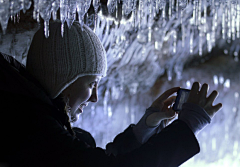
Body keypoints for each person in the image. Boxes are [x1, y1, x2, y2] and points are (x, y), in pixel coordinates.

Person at [0, 20, 222, 167]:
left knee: (84, 138)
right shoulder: (33, 127)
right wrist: (187, 126)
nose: (95, 96)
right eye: (91, 83)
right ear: (64, 79)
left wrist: (144, 128)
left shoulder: (29, 116)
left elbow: (96, 160)